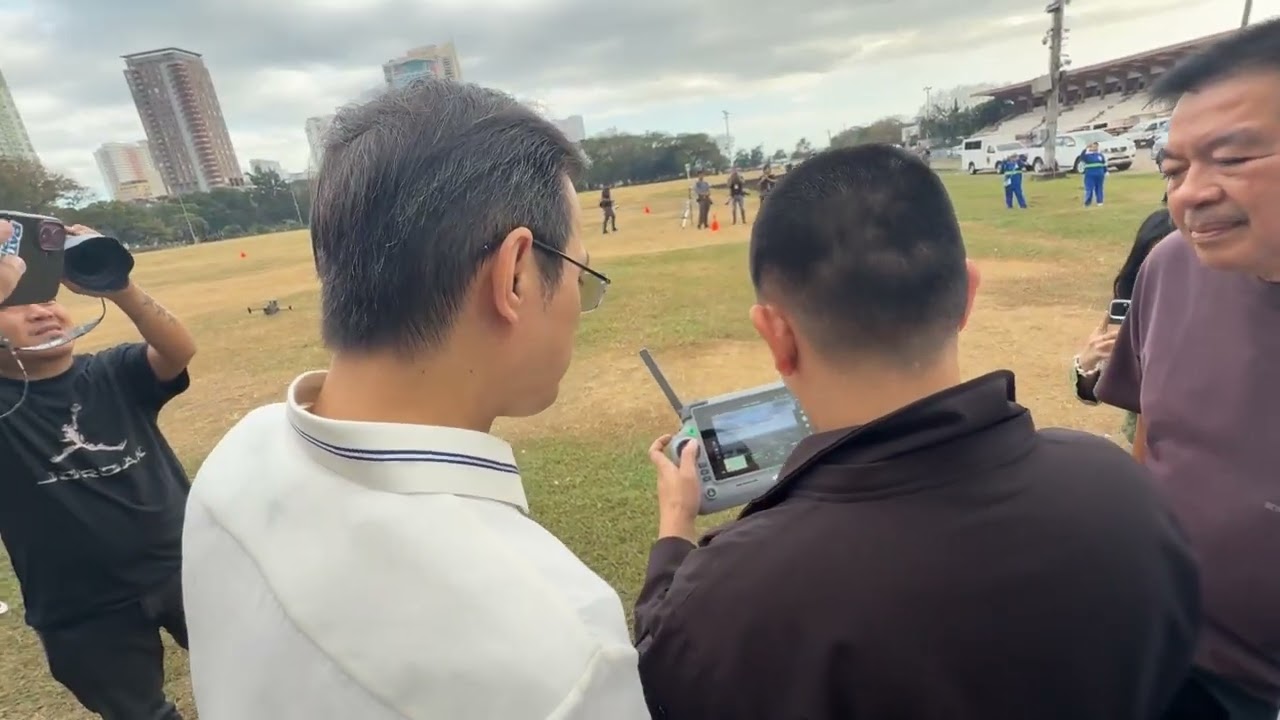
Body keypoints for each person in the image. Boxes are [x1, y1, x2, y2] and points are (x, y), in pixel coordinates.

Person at [632, 145, 1199, 720]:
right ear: (967, 294)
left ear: (775, 334)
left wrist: (675, 528)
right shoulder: (1122, 488)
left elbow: (664, 667)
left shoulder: (731, 595)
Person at [181, 79, 648, 720]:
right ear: (515, 274)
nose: (579, 306)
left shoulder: (238, 456)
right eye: (579, 276)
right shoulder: (563, 650)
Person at [1096, 19, 1280, 720]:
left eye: (1230, 159)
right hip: (1156, 645)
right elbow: (1155, 432)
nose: (1190, 194)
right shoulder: (1171, 266)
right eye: (1174, 169)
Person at [0, 221, 196, 720]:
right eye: (16, 306)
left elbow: (177, 351)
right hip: (82, 609)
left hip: (184, 567)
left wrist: (119, 286)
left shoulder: (113, 371)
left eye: (46, 299)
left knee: (252, 672)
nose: (42, 309)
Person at [1070, 208, 1175, 445]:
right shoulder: (1136, 313)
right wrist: (1088, 365)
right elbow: (1090, 395)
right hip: (1142, 450)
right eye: (1151, 266)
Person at [1080, 141, 1108, 206]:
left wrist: (1105, 171)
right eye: (1093, 146)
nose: (1095, 148)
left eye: (1096, 146)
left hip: (1099, 174)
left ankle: (1100, 201)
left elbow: (1104, 164)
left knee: (1099, 187)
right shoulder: (1087, 155)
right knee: (1089, 188)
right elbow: (1082, 157)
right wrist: (1086, 148)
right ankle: (1088, 201)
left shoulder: (1100, 155)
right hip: (1090, 174)